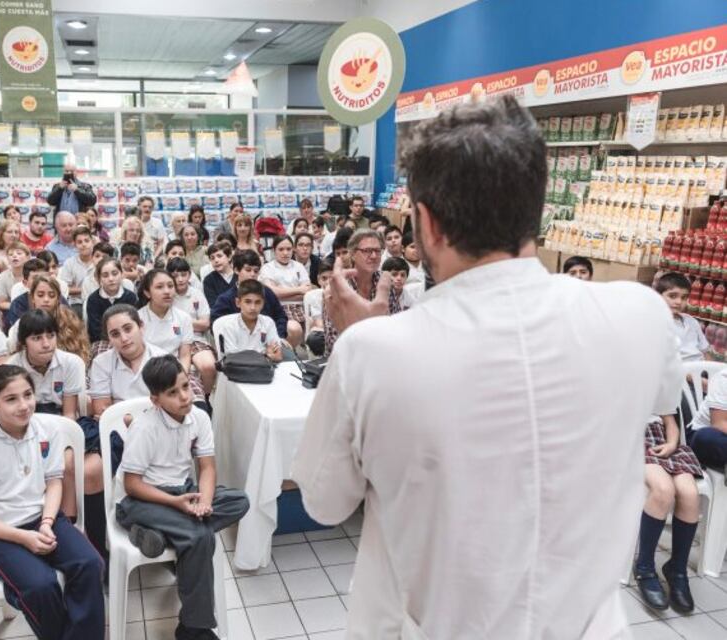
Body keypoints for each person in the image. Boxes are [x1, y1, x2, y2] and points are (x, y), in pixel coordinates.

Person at [291, 95, 684, 638]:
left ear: (426, 224)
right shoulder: (641, 315)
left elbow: (324, 499)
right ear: (539, 207)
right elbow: (659, 396)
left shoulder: (373, 351)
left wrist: (364, 344)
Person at [0, 365, 105, 640]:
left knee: (90, 564)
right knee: (41, 585)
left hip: (43, 517)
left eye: (28, 394)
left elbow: (54, 482)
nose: (24, 405)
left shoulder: (47, 428)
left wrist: (48, 522)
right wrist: (24, 538)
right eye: (11, 399)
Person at [116, 355, 249, 640]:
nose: (184, 397)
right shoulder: (145, 427)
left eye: (185, 386)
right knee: (201, 537)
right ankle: (193, 628)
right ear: (156, 400)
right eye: (172, 393)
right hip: (142, 501)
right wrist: (177, 504)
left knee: (240, 500)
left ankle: (161, 535)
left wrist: (205, 502)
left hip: (182, 491)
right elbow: (131, 485)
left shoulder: (199, 417)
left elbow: (208, 468)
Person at [635, 414, 701, 613]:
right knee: (663, 490)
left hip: (664, 441)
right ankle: (644, 567)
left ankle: (677, 570)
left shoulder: (662, 384)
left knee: (690, 494)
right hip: (634, 441)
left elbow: (670, 422)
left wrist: (672, 443)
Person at [322, 229, 403, 355]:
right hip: (346, 358)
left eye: (377, 251)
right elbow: (333, 340)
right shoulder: (339, 287)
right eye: (367, 251)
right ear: (352, 254)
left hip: (382, 354)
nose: (374, 256)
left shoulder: (385, 284)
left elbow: (396, 325)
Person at [210, 250, 290, 343]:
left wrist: (278, 337)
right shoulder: (225, 298)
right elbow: (216, 325)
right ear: (236, 270)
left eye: (256, 271)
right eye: (248, 270)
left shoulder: (266, 292)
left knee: (293, 329)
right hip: (239, 344)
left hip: (268, 339)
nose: (252, 274)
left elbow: (281, 316)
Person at [8, 276, 90, 361]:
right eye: (40, 295)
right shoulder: (21, 323)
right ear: (32, 298)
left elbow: (81, 354)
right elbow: (12, 350)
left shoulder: (70, 319)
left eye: (51, 296)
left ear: (58, 299)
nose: (46, 299)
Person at [166, 258, 216, 392]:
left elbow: (205, 324)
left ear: (189, 274)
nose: (180, 279)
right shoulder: (166, 295)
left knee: (208, 366)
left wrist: (182, 321)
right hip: (171, 339)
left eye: (184, 274)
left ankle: (205, 398)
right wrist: (192, 323)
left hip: (195, 339)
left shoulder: (197, 294)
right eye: (175, 276)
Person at [211, 280, 283, 362]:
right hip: (236, 373)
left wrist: (266, 356)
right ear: (238, 302)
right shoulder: (228, 325)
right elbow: (233, 361)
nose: (253, 307)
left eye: (258, 302)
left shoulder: (268, 322)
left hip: (265, 370)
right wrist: (266, 355)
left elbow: (278, 356)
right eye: (248, 302)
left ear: (263, 303)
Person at [260, 235, 310, 342]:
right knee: (293, 328)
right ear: (274, 250)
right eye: (281, 249)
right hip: (279, 308)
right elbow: (272, 293)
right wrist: (298, 290)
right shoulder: (267, 268)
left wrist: (282, 292)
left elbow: (307, 290)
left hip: (301, 307)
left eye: (288, 249)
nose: (285, 253)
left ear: (293, 249)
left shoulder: (299, 266)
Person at [656, 273, 710, 362]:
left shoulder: (691, 321)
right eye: (672, 296)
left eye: (684, 297)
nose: (679, 302)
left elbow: (705, 352)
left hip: (699, 369)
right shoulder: (655, 323)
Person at [85, 258, 137, 345]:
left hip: (127, 338)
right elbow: (95, 330)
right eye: (105, 275)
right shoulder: (93, 300)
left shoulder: (130, 297)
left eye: (115, 274)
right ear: (98, 278)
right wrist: (114, 342)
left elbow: (134, 323)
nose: (111, 279)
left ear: (122, 274)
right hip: (102, 341)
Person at [58, 226, 95, 315]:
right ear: (75, 245)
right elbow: (64, 289)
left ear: (92, 242)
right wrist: (87, 289)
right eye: (79, 242)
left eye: (87, 240)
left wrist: (76, 289)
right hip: (77, 302)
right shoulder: (69, 263)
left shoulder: (99, 261)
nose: (84, 244)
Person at [302, 259, 332, 357]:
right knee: (315, 337)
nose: (328, 282)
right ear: (318, 280)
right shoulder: (315, 297)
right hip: (324, 332)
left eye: (332, 279)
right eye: (324, 278)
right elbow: (319, 322)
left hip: (341, 332)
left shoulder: (346, 295)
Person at [0, 242, 32, 314]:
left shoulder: (34, 274)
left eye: (19, 253)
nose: (14, 256)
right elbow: (1, 303)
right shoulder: (3, 276)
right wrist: (18, 307)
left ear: (28, 257)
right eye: (10, 254)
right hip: (13, 310)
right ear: (7, 259)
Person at [202, 241, 236, 308]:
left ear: (229, 257)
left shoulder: (239, 276)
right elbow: (214, 305)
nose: (216, 260)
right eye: (212, 258)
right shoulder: (208, 280)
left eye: (219, 256)